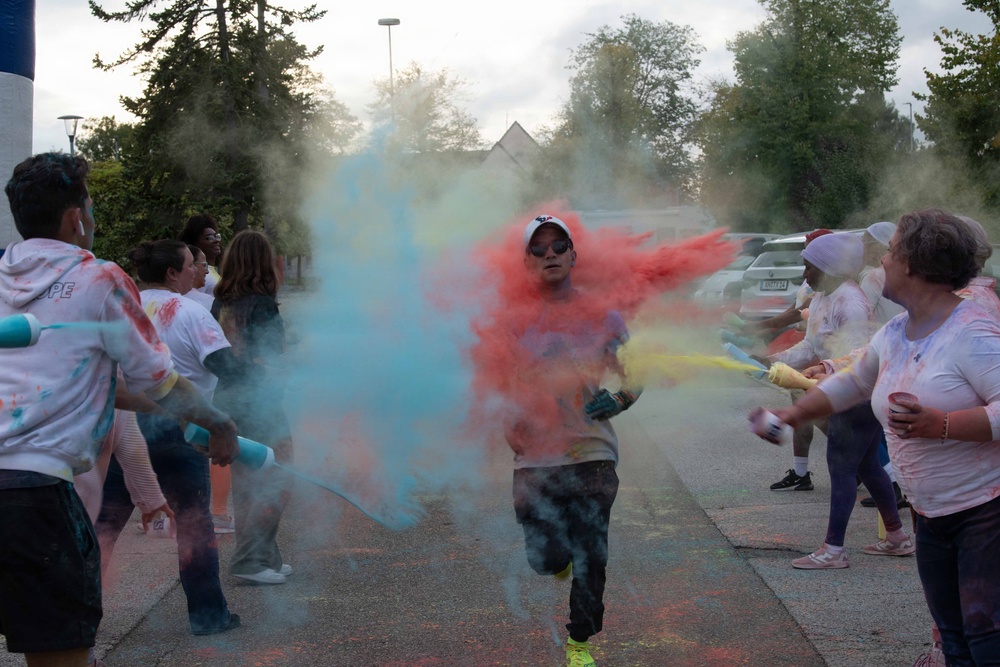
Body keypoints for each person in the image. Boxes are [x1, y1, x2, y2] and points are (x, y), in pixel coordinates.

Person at [0, 153, 239, 667]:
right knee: (59, 656)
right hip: (37, 499)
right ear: (74, 219)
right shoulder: (100, 280)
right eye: (90, 204)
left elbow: (96, 386)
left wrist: (169, 411)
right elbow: (163, 378)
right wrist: (216, 421)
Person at [760, 209, 1000, 663]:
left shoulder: (973, 331)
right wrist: (791, 414)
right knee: (952, 635)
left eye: (889, 252)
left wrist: (941, 425)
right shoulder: (895, 331)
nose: (879, 262)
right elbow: (852, 382)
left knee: (985, 637)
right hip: (932, 515)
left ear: (913, 263)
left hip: (984, 513)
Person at [503, 215, 641, 667]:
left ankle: (579, 641)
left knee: (591, 552)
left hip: (592, 453)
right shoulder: (511, 318)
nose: (550, 255)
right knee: (545, 559)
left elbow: (638, 370)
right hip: (535, 458)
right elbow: (491, 381)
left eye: (558, 245)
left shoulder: (603, 313)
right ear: (527, 262)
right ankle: (556, 560)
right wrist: (508, 420)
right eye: (538, 249)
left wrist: (619, 397)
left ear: (573, 254)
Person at [96, 239, 244, 635]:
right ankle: (208, 616)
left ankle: (78, 612)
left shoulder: (122, 309)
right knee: (195, 523)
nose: (198, 270)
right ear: (172, 273)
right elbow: (223, 365)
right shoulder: (192, 312)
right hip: (179, 429)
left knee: (104, 524)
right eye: (191, 264)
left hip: (123, 428)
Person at [756, 232, 913, 569]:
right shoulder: (823, 299)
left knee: (840, 465)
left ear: (829, 267)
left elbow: (858, 359)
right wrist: (774, 360)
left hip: (855, 394)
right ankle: (897, 537)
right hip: (838, 387)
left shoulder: (851, 302)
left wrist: (826, 381)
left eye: (808, 266)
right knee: (868, 464)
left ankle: (834, 550)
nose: (804, 274)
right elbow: (811, 348)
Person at [212, 230, 294, 584]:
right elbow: (271, 356)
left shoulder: (221, 301)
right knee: (278, 473)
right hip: (257, 400)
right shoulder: (262, 303)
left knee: (249, 478)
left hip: (228, 397)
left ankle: (265, 557)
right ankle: (249, 561)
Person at [179, 213, 223, 295]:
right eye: (209, 238)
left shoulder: (215, 270)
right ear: (195, 243)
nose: (216, 240)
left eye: (216, 236)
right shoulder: (198, 274)